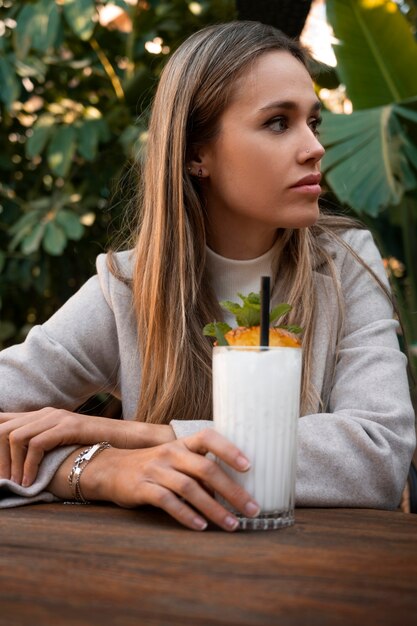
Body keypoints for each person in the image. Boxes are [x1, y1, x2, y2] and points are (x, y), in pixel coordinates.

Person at [0, 21, 415, 530]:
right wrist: (97, 470)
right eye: (279, 123)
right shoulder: (128, 287)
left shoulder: (345, 263)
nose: (314, 147)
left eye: (314, 122)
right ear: (198, 153)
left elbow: (379, 455)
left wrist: (152, 437)